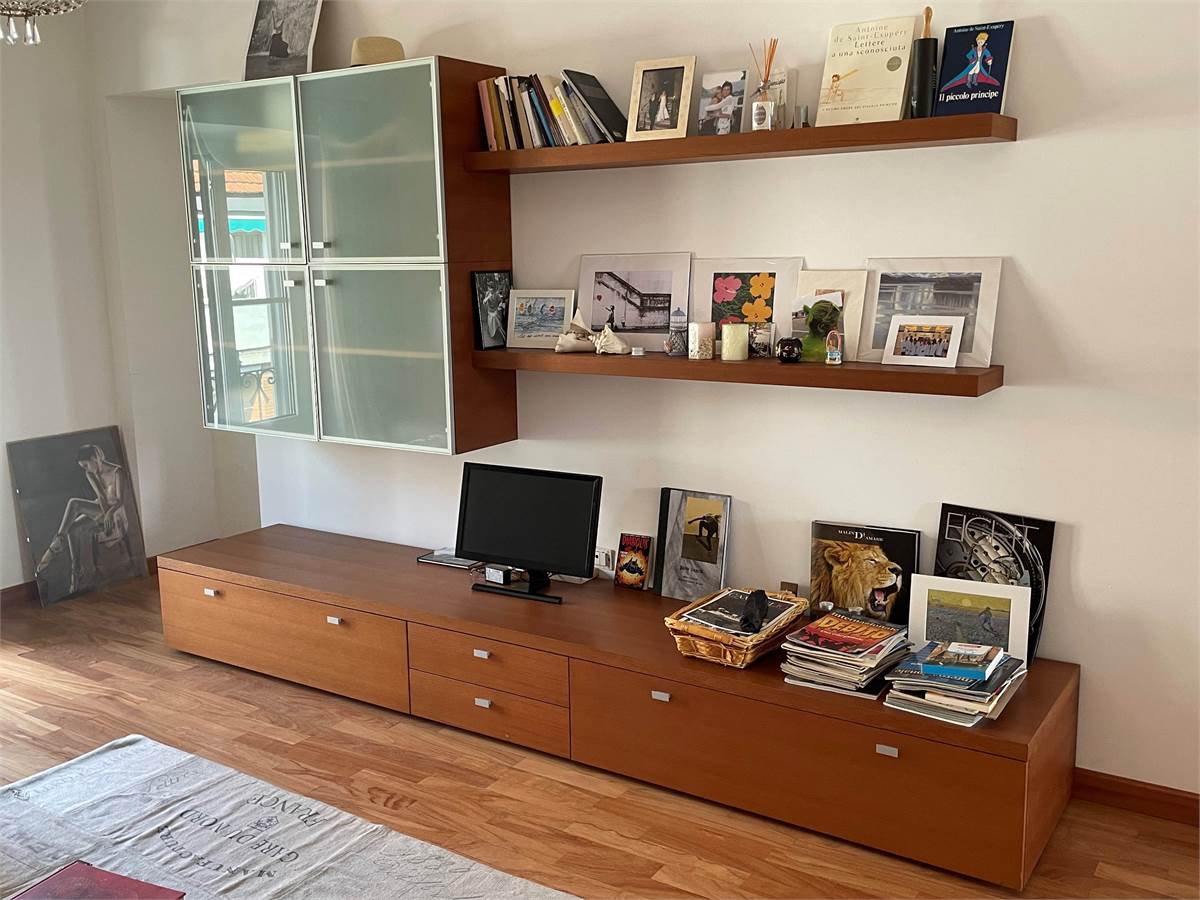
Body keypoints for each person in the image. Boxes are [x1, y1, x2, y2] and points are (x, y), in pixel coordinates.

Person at [35, 444, 132, 595]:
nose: (86, 469)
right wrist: (104, 513)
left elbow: (120, 501)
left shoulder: (117, 471)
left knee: (74, 503)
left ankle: (57, 543)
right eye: (83, 467)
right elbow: (101, 497)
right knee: (72, 528)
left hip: (116, 513)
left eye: (86, 465)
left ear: (94, 458)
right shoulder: (90, 474)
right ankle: (76, 573)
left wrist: (108, 514)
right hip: (101, 509)